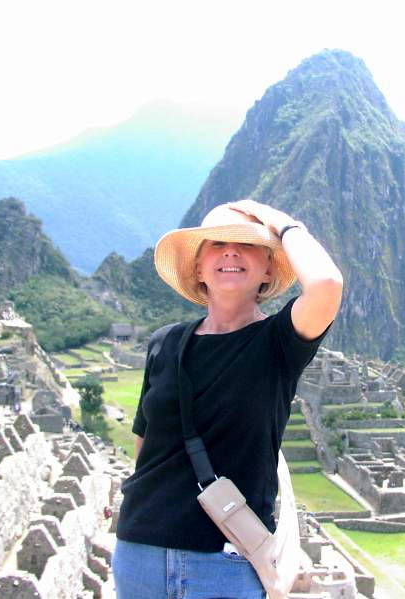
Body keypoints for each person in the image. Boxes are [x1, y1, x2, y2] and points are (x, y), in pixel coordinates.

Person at [112, 199, 343, 599]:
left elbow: (326, 285)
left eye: (248, 245)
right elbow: (144, 444)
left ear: (269, 268)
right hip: (139, 553)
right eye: (217, 244)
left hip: (224, 564)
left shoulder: (279, 343)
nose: (231, 252)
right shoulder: (164, 343)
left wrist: (282, 224)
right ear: (198, 269)